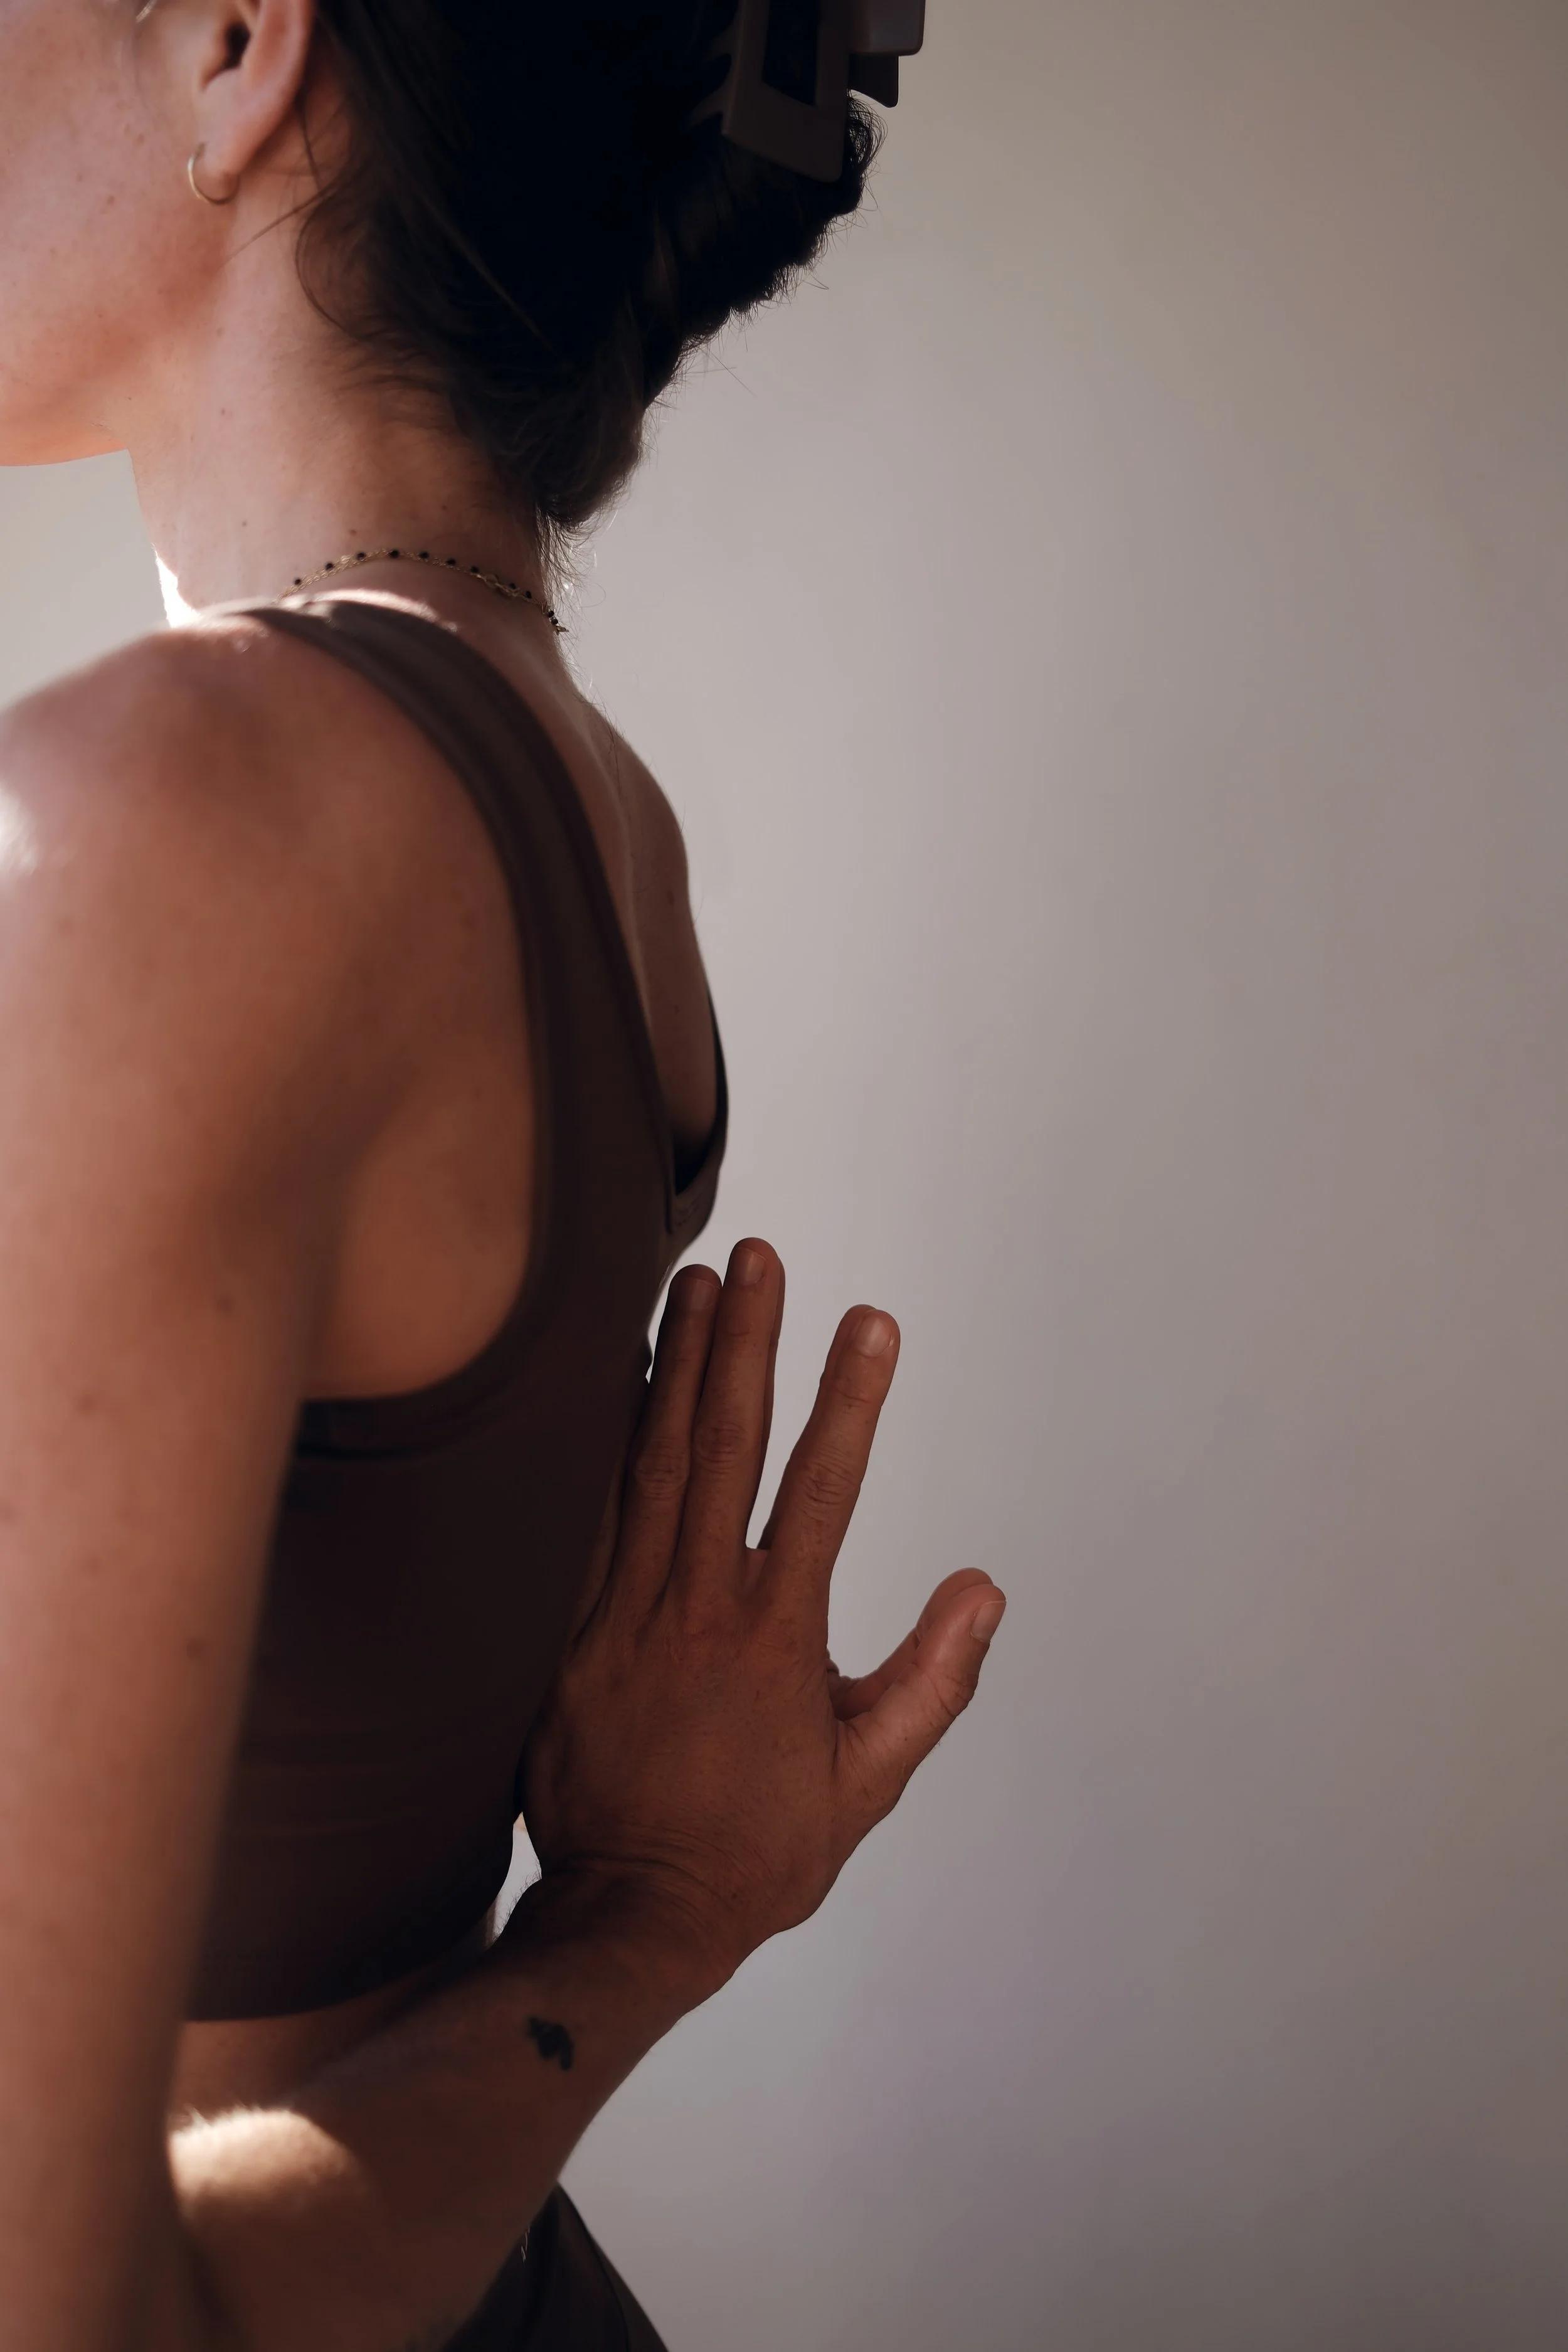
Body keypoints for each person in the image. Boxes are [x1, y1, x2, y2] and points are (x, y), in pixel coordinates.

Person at [0, 2, 1005, 2345]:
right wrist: (637, 1916)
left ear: (243, 42)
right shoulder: (580, 813)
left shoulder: (170, 833)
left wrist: (648, 1917)